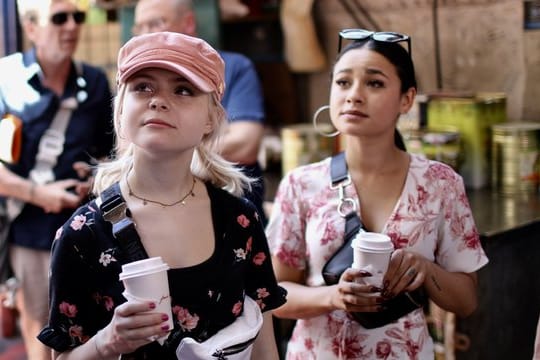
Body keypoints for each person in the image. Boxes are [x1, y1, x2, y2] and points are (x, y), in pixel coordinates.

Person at [37, 31, 286, 359]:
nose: (158, 100)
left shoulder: (239, 220)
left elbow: (263, 344)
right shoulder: (82, 234)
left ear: (211, 119)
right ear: (121, 110)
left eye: (183, 90)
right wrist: (105, 343)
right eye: (143, 87)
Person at [265, 29, 489, 359]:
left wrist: (426, 271)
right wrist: (334, 297)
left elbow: (466, 302)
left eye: (374, 83)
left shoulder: (440, 184)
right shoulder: (302, 184)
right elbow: (277, 293)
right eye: (343, 82)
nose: (354, 95)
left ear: (407, 99)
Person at [0, 0, 114, 358]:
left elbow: (108, 153)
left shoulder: (94, 81)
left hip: (87, 229)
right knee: (42, 334)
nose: (71, 27)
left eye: (77, 17)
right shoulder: (5, 78)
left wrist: (93, 178)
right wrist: (38, 193)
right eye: (59, 18)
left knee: (96, 329)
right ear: (31, 27)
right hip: (30, 231)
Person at [133, 0, 268, 224]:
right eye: (140, 28)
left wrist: (163, 152)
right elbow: (126, 149)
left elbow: (246, 143)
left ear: (188, 23)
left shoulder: (234, 67)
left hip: (234, 214)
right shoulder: (132, 79)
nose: (147, 35)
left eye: (156, 23)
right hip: (156, 218)